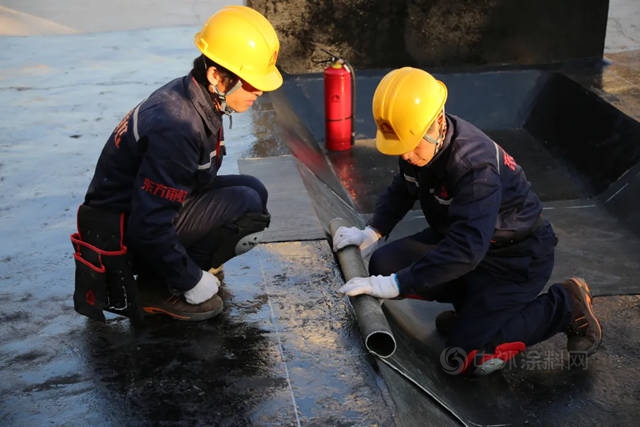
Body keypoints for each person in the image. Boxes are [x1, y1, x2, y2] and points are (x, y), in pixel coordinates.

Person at [332, 67, 602, 376]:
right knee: (383, 264)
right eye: (398, 145)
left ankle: (564, 304)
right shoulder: (416, 140)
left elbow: (466, 250)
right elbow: (405, 187)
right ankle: (474, 310)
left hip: (513, 262)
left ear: (438, 121)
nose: (405, 154)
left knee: (465, 359)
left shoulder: (475, 166)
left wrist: (397, 285)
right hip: (466, 243)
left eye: (411, 144)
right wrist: (373, 231)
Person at [70, 6, 281, 322]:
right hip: (125, 233)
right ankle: (160, 286)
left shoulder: (196, 96)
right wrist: (191, 280)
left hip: (134, 214)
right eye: (250, 82)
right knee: (246, 204)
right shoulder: (178, 125)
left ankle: (176, 267)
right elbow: (149, 224)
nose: (259, 90)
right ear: (216, 76)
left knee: (253, 190)